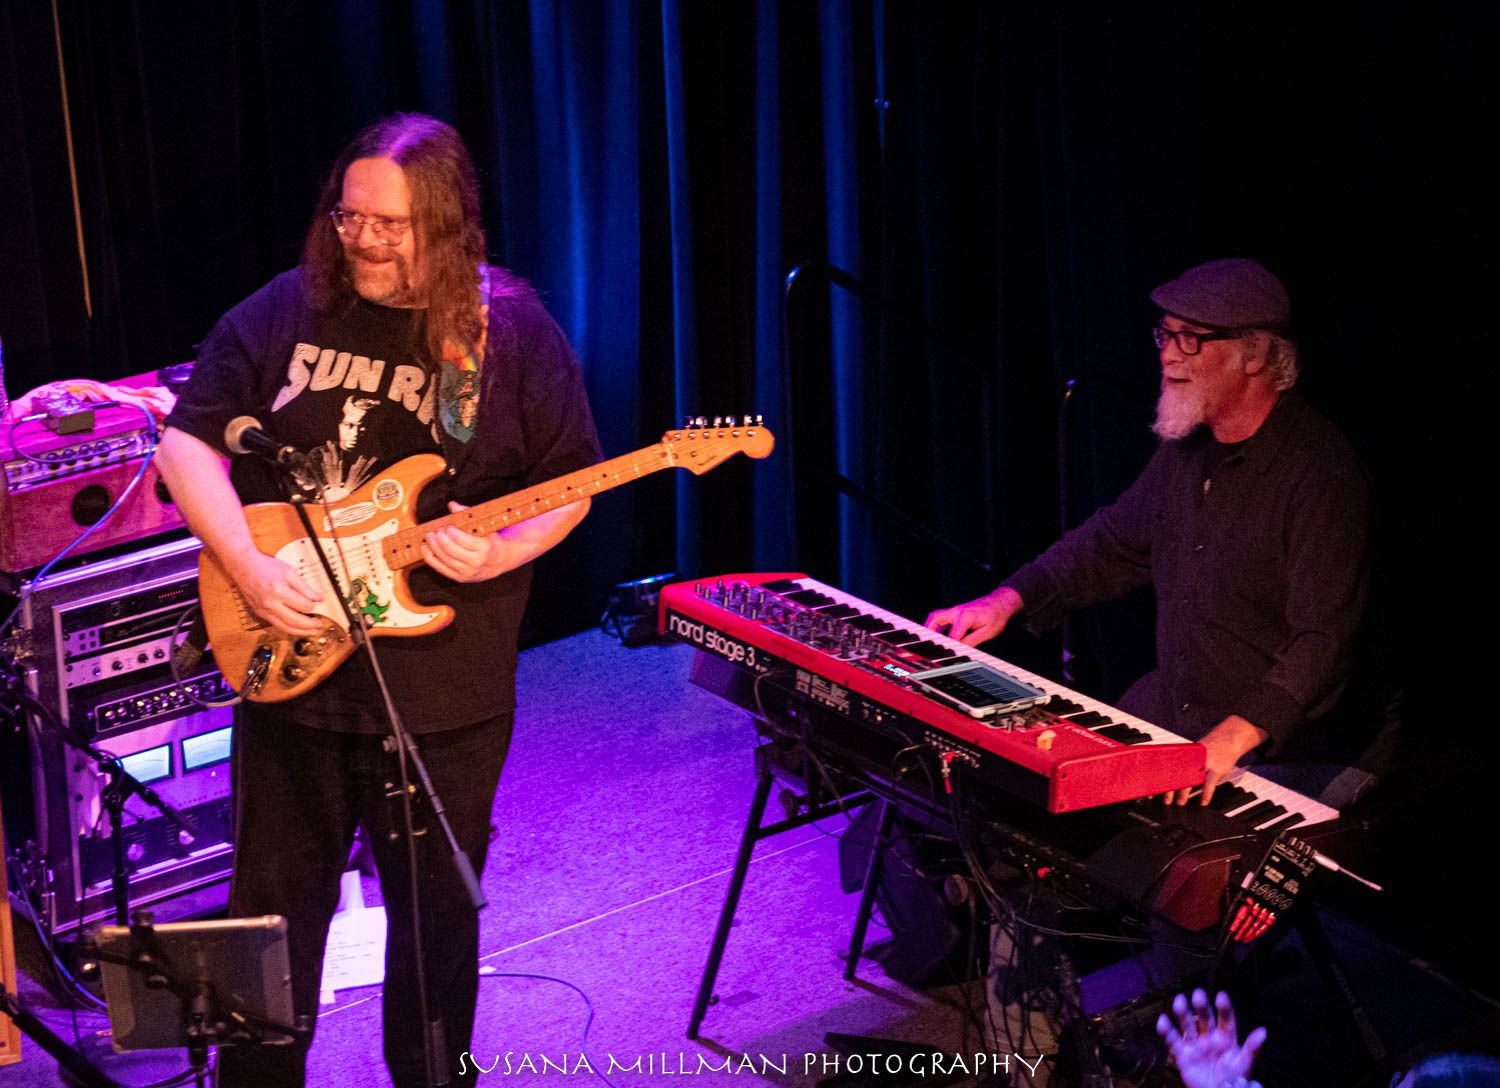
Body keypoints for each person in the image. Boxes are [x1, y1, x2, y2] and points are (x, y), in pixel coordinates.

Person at [156, 113, 600, 1087]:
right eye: (348, 217)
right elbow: (185, 443)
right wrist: (250, 565)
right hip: (292, 674)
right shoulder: (287, 309)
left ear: (442, 224)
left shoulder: (508, 334)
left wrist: (499, 552)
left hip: (441, 694)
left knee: (435, 929)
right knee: (268, 920)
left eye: (387, 225)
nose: (360, 239)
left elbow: (570, 483)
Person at [927, 258, 1387, 807]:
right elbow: (1111, 545)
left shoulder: (1321, 473)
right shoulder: (1186, 451)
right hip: (1183, 714)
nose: (1169, 354)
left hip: (1293, 748)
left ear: (1255, 355)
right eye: (1165, 334)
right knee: (1028, 802)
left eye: (1192, 338)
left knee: (1160, 854)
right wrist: (1007, 599)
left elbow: (1323, 643)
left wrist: (1234, 735)